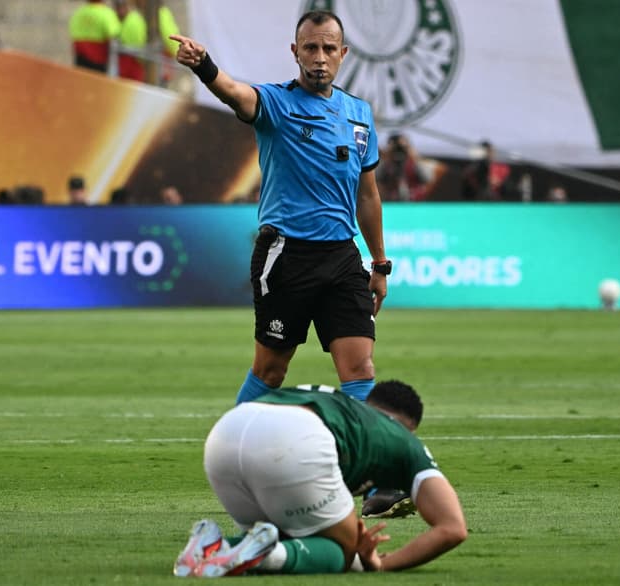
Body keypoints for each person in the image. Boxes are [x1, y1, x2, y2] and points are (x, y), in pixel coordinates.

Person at [171, 10, 390, 405]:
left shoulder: (359, 114)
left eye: (327, 48)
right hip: (288, 256)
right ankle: (234, 447)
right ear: (295, 52)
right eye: (310, 48)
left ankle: (363, 460)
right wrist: (204, 66)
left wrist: (379, 263)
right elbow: (234, 92)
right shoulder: (276, 103)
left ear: (343, 53)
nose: (319, 57)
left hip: (342, 257)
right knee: (271, 370)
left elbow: (368, 194)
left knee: (360, 370)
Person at [173, 381, 467, 577]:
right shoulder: (403, 440)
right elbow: (453, 528)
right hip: (294, 437)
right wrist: (381, 564)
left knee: (293, 539)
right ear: (409, 427)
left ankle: (213, 545)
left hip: (226, 433)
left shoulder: (343, 405)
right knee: (345, 552)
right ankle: (264, 557)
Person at [114, 0, 180, 84]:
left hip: (145, 66)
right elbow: (173, 44)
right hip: (146, 68)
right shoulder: (159, 13)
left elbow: (172, 42)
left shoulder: (135, 16)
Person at [69, 0, 121, 73]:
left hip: (80, 58)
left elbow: (74, 34)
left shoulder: (79, 12)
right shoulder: (106, 13)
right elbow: (113, 35)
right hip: (99, 60)